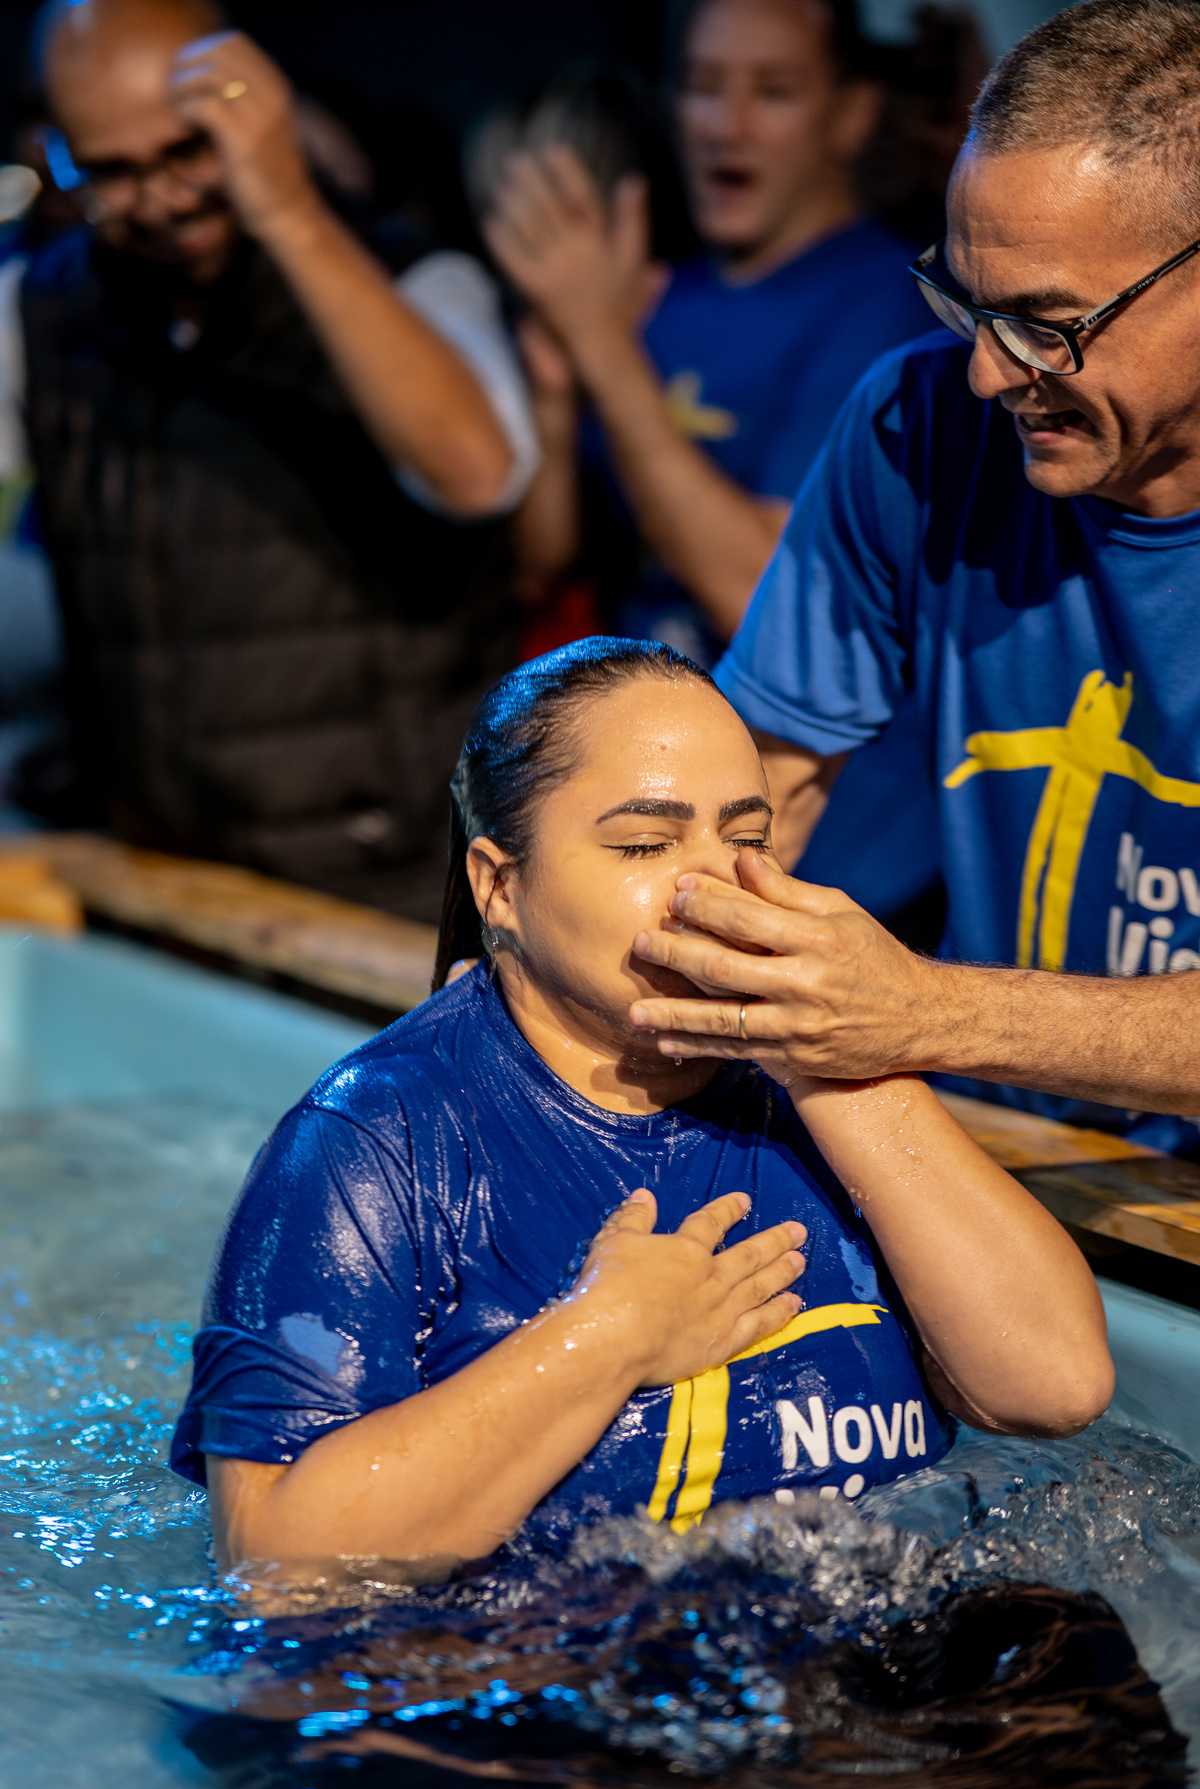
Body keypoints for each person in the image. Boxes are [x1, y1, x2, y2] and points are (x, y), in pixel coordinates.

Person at [170, 639, 1111, 1572]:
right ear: (501, 887)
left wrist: (843, 1062)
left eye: (747, 839)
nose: (711, 886)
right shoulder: (375, 1139)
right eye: (644, 844)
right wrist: (606, 1337)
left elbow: (1052, 1386)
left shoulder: (823, 1090)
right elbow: (280, 1561)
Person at [621, 0, 1200, 1155]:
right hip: (1008, 1145)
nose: (987, 374)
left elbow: (919, 1014)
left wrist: (926, 1012)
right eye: (963, 301)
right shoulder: (913, 423)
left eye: (1044, 324)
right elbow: (759, 790)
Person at [17, 0, 540, 921]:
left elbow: (479, 473)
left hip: (386, 881)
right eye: (112, 172)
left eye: (187, 153)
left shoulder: (411, 276)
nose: (162, 199)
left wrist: (288, 206)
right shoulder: (51, 307)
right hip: (168, 873)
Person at [481, 0, 944, 933]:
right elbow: (542, 562)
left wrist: (602, 346)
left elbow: (760, 588)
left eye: (772, 92)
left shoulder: (888, 311)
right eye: (702, 86)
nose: (726, 124)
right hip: (652, 822)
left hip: (835, 859)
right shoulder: (649, 287)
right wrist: (557, 384)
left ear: (850, 115)